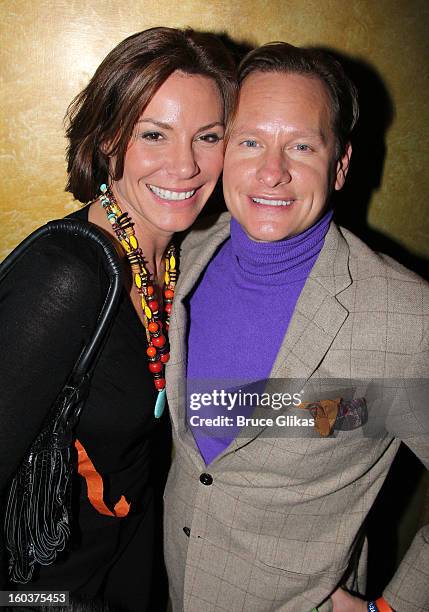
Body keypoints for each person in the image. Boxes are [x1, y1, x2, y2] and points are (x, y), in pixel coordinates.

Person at [164, 42, 429, 612]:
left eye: (302, 146)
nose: (272, 171)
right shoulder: (183, 261)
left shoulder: (408, 316)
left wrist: (396, 607)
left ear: (341, 164)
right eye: (251, 141)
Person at [0, 27, 236, 611]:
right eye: (154, 134)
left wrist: (352, 411)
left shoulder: (185, 257)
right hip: (49, 586)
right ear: (109, 139)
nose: (184, 165)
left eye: (208, 136)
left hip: (129, 564)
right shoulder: (67, 276)